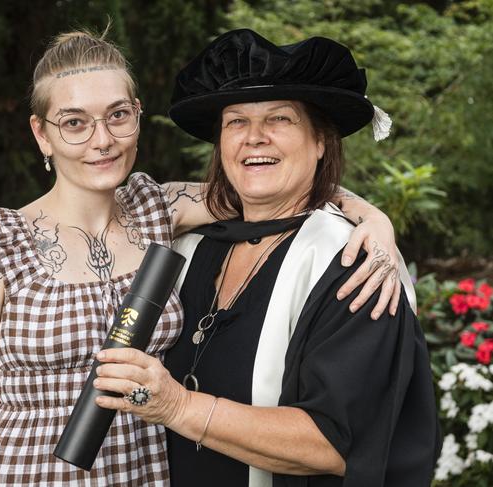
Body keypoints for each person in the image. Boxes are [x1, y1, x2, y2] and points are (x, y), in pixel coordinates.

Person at [0, 28, 405, 486]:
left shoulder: (158, 209)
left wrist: (373, 219)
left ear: (137, 115)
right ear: (42, 133)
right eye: (74, 122)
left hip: (147, 473)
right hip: (29, 473)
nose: (102, 140)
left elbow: (278, 184)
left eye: (118, 115)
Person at [93, 29, 441, 487]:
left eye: (279, 119)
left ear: (321, 142)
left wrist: (177, 405)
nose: (255, 137)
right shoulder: (191, 249)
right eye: (236, 122)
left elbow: (336, 443)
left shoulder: (356, 265)